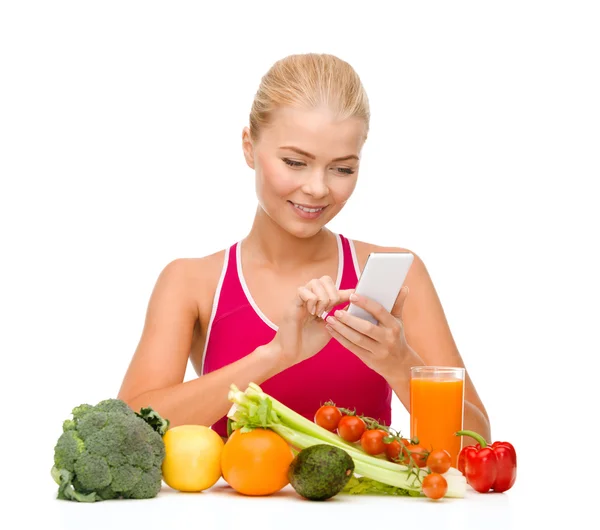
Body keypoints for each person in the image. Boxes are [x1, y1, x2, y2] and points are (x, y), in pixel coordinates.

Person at [117, 53, 491, 444]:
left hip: (370, 508)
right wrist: (275, 355)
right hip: (229, 508)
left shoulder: (399, 274)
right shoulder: (191, 282)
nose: (317, 188)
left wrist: (399, 364)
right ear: (249, 146)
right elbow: (128, 432)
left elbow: (477, 443)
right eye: (295, 162)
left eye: (343, 168)